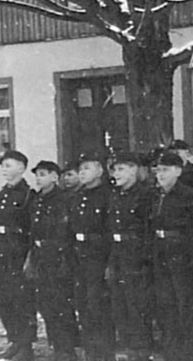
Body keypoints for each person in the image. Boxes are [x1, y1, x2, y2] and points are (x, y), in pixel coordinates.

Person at [26, 160, 79, 361]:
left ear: (55, 177)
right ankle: (56, 344)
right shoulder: (37, 199)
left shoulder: (65, 199)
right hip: (41, 256)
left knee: (61, 304)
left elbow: (67, 230)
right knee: (46, 304)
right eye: (37, 175)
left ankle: (67, 348)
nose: (38, 178)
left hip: (59, 257)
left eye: (43, 174)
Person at [107, 152, 155, 360]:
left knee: (138, 304)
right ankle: (129, 347)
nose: (116, 174)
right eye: (115, 170)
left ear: (134, 170)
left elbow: (147, 228)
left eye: (121, 169)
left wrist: (143, 257)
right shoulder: (116, 195)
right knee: (120, 303)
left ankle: (141, 349)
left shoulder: (145, 195)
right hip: (118, 255)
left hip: (136, 255)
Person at [150, 151, 193, 361]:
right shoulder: (156, 195)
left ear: (178, 171)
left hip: (181, 254)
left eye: (166, 170)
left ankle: (187, 351)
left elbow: (192, 228)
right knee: (165, 303)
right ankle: (171, 351)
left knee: (183, 303)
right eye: (158, 170)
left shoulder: (188, 195)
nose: (161, 175)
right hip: (160, 253)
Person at [70, 151, 116, 361]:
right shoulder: (78, 195)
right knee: (83, 305)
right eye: (80, 169)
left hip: (99, 254)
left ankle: (104, 353)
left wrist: (109, 261)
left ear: (100, 170)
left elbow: (110, 229)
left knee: (98, 306)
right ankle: (91, 352)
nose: (82, 173)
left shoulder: (109, 194)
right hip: (80, 255)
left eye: (87, 168)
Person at [0, 150, 38, 361]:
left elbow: (32, 229)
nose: (4, 169)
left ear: (21, 168)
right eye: (3, 166)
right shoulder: (3, 194)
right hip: (2, 252)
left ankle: (25, 345)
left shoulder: (28, 195)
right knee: (4, 299)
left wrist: (29, 257)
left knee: (22, 300)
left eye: (9, 165)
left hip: (18, 252)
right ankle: (14, 340)